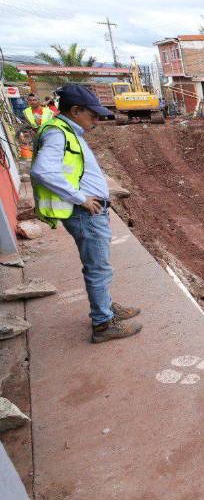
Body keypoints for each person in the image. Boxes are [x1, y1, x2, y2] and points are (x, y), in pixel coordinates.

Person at [30, 84, 142, 343]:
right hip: (84, 214)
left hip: (89, 212)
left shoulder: (68, 131)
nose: (97, 119)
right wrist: (81, 198)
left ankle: (106, 307)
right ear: (75, 110)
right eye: (92, 114)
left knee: (99, 266)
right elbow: (42, 170)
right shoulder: (59, 134)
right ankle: (103, 323)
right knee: (98, 268)